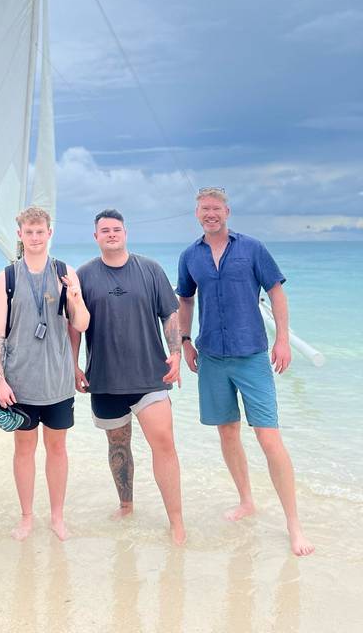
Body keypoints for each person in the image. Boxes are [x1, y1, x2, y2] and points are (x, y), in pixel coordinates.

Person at [177, 187, 315, 556]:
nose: (211, 214)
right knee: (227, 433)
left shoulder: (252, 248)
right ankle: (247, 500)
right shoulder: (190, 256)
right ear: (197, 213)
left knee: (269, 438)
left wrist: (282, 340)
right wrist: (185, 341)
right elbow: (185, 300)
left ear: (227, 211)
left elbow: (276, 293)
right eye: (205, 209)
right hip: (211, 358)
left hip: (252, 356)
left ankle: (294, 524)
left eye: (216, 208)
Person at [72, 209, 186, 545]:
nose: (111, 234)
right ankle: (126, 505)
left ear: (126, 233)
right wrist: (73, 365)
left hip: (150, 376)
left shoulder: (150, 269)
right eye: (104, 230)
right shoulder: (84, 275)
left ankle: (176, 522)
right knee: (118, 446)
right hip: (105, 380)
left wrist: (176, 352)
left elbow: (170, 313)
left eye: (116, 229)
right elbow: (75, 325)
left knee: (164, 445)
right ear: (96, 237)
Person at [0, 206, 90, 541]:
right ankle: (27, 517)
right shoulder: (8, 277)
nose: (34, 237)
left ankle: (57, 517)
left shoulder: (65, 273)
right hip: (19, 381)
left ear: (49, 233)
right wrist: (0, 381)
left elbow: (82, 324)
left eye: (40, 231)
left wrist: (74, 299)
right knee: (24, 449)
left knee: (57, 448)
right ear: (20, 234)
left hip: (58, 380)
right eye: (28, 232)